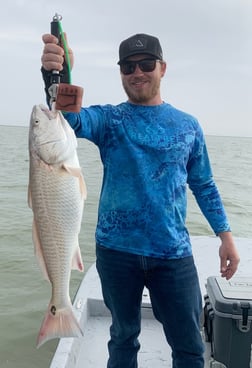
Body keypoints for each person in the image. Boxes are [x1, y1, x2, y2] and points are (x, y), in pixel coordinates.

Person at [41, 32, 240, 368]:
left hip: (172, 254)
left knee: (190, 345)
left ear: (163, 68)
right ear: (121, 73)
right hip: (116, 253)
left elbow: (203, 185)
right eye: (128, 66)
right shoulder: (109, 120)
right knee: (122, 337)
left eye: (146, 63)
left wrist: (226, 237)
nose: (137, 72)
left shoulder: (188, 126)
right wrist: (59, 75)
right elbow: (68, 120)